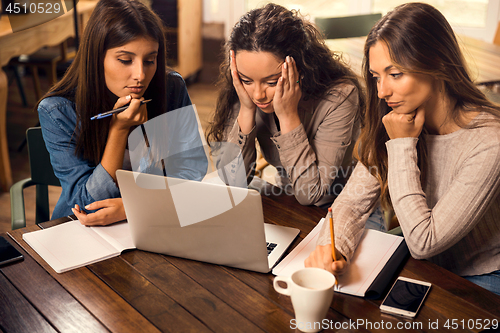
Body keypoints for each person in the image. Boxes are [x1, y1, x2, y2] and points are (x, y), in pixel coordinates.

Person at [305, 2, 500, 296]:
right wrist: (332, 250)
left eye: (395, 74)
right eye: (376, 77)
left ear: (437, 64)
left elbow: (425, 241)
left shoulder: (488, 142)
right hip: (420, 263)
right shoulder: (397, 117)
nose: (382, 91)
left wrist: (401, 145)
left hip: (480, 275)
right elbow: (351, 203)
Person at [37, 0, 206, 226]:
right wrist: (119, 130)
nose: (140, 74)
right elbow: (86, 204)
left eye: (150, 60)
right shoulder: (57, 110)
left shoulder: (171, 88)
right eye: (125, 60)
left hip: (153, 220)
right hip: (80, 229)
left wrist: (133, 208)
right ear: (97, 58)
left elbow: (191, 171)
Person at [206, 3, 364, 207]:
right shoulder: (246, 93)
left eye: (271, 82)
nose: (258, 94)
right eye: (247, 80)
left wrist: (288, 116)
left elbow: (311, 194)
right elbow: (231, 181)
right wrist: (246, 110)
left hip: (343, 206)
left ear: (299, 67)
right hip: (291, 203)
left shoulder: (340, 96)